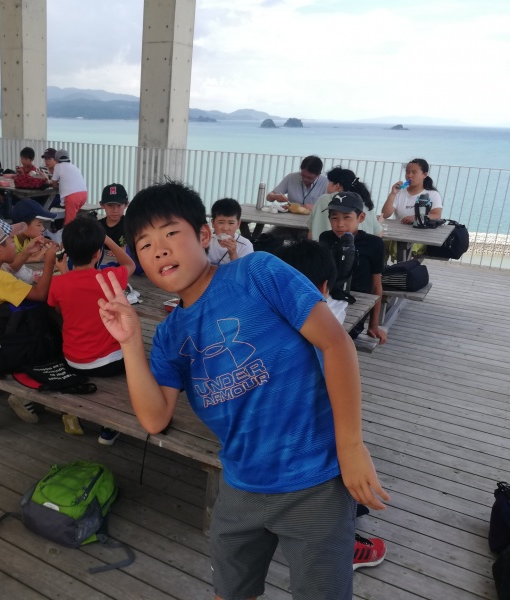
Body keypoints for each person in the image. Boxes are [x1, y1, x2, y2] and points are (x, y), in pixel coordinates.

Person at [95, 181, 389, 600]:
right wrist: (128, 343)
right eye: (144, 244)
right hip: (239, 486)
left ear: (204, 235)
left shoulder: (258, 273)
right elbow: (154, 418)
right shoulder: (170, 335)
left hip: (315, 481)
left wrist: (351, 446)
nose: (158, 250)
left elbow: (335, 343)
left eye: (170, 233)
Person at [274, 239, 388, 571]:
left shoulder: (261, 323)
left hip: (259, 437)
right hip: (302, 448)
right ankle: (343, 546)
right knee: (339, 452)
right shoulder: (327, 332)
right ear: (324, 286)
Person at [48, 218, 136, 445]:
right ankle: (110, 426)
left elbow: (60, 309)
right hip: (110, 364)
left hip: (73, 361)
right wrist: (108, 240)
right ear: (98, 253)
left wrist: (64, 273)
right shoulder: (109, 277)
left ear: (67, 251)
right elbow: (130, 265)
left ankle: (72, 412)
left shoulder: (58, 283)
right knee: (139, 352)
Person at [0, 217, 58, 423]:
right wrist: (50, 263)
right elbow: (40, 294)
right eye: (10, 241)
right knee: (47, 329)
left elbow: (11, 266)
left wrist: (26, 252)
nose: (14, 245)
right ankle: (25, 394)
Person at [319, 192, 388, 344]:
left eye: (347, 217)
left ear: (361, 218)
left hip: (357, 304)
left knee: (336, 337)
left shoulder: (374, 244)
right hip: (328, 299)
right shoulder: (325, 238)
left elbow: (376, 285)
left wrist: (374, 325)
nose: (340, 224)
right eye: (334, 217)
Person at [307, 167, 382, 240]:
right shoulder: (365, 202)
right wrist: (380, 222)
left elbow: (311, 232)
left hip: (324, 247)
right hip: (362, 247)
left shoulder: (324, 199)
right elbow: (379, 234)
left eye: (329, 182)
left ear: (337, 186)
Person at [2, 199, 58, 283]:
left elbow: (51, 243)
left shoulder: (31, 237)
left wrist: (52, 246)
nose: (43, 228)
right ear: (23, 226)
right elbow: (8, 264)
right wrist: (34, 258)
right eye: (39, 225)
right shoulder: (9, 240)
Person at [381, 158, 443, 224]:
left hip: (421, 229)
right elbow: (385, 215)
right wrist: (393, 194)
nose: (410, 176)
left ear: (424, 175)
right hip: (399, 228)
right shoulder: (399, 192)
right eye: (407, 172)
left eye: (414, 172)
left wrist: (417, 217)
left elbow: (437, 215)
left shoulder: (433, 194)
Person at [42, 149, 88, 224]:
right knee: (74, 219)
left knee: (69, 222)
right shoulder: (74, 167)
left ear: (56, 160)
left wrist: (57, 185)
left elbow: (54, 184)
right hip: (84, 195)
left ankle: (65, 231)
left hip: (72, 197)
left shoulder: (58, 166)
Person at [207, 198, 254, 265]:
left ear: (238, 224)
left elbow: (242, 270)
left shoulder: (245, 245)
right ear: (213, 223)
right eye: (221, 222)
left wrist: (233, 254)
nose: (225, 228)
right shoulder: (206, 242)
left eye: (231, 223)